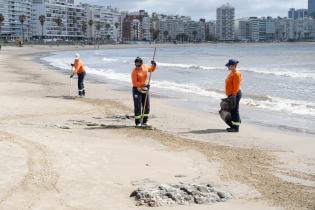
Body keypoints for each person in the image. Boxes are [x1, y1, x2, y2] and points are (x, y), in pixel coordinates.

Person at [131, 57, 157, 127]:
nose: (137, 66)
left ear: (142, 64)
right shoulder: (134, 72)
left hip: (145, 89)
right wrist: (144, 84)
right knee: (138, 106)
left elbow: (151, 69)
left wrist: (154, 65)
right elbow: (134, 83)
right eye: (136, 64)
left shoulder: (145, 67)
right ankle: (138, 122)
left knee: (147, 106)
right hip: (136, 89)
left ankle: (145, 121)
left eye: (138, 65)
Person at [225, 59, 242, 132]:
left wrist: (233, 96)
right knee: (232, 111)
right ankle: (234, 125)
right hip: (231, 94)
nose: (227, 67)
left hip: (235, 94)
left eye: (229, 66)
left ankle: (236, 128)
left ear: (233, 66)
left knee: (235, 111)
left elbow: (236, 87)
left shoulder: (236, 74)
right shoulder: (232, 72)